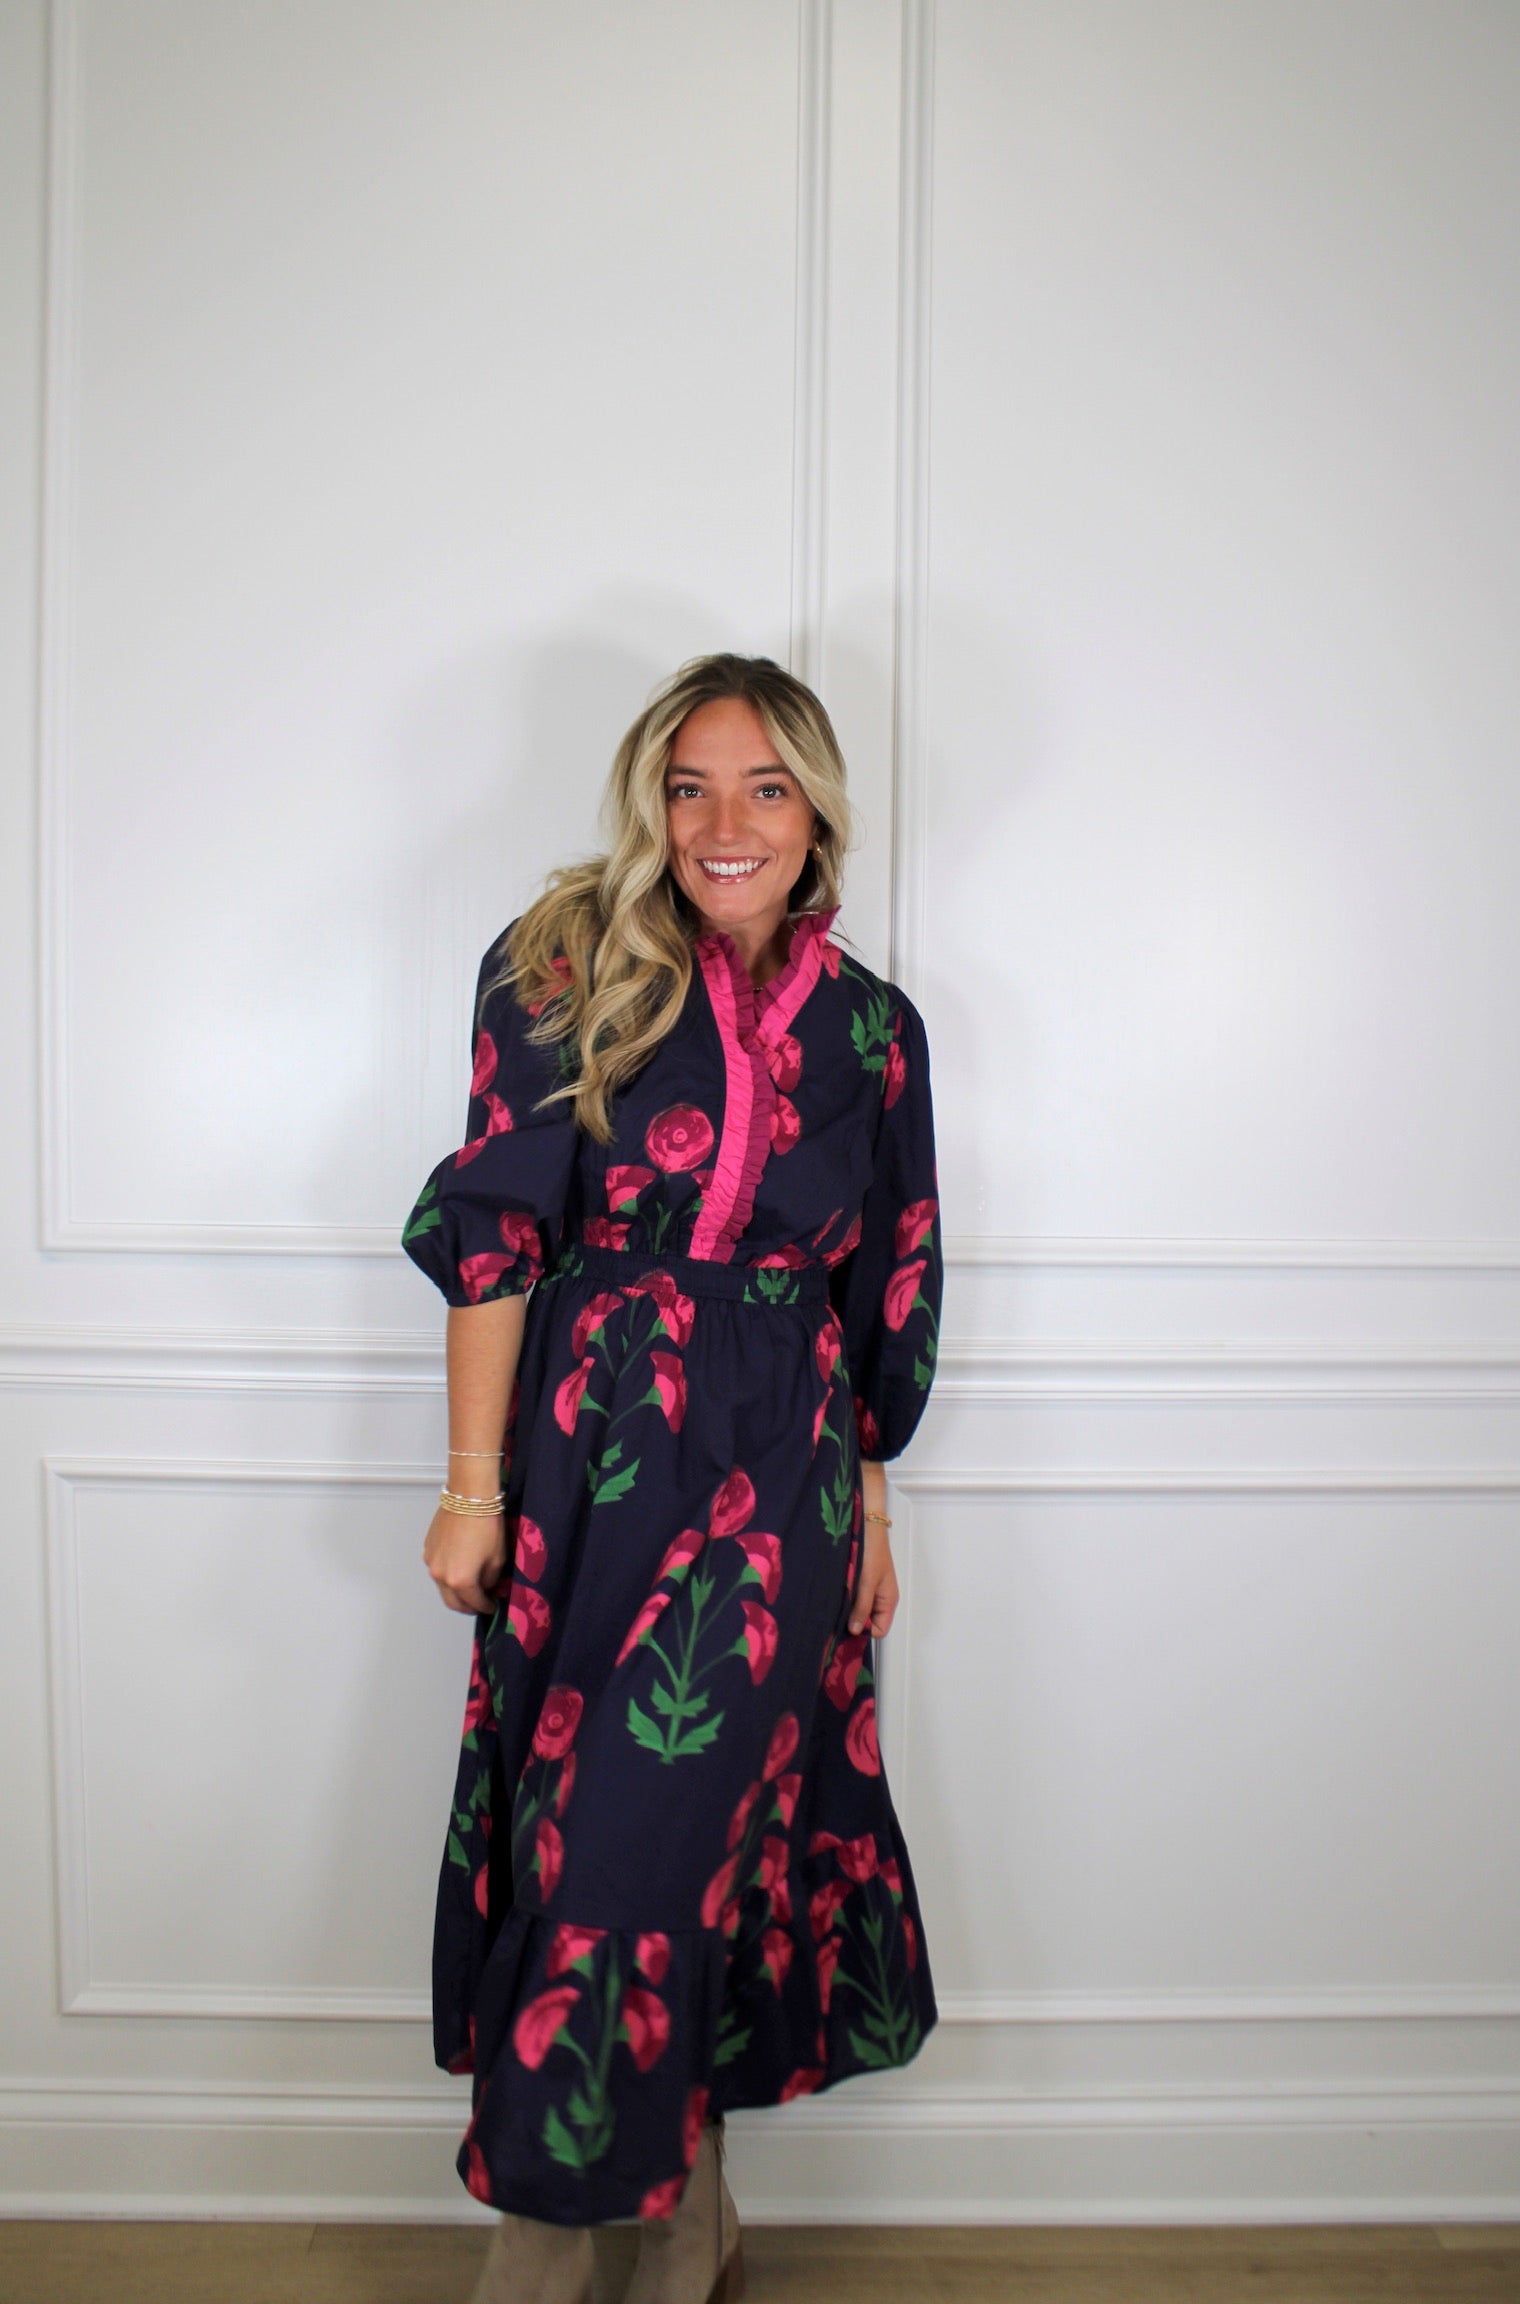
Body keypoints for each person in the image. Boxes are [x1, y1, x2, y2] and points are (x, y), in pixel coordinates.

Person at [402, 652, 943, 2304]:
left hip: (785, 1493)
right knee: (591, 1851)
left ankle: (631, 2236)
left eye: (766, 788)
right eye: (691, 785)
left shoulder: (874, 1028)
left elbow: (889, 1284)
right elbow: (494, 1239)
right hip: (593, 1466)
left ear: (816, 813)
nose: (726, 824)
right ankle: (614, 2235)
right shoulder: (560, 964)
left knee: (694, 1851)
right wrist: (473, 1487)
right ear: (651, 802)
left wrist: (872, 1506)